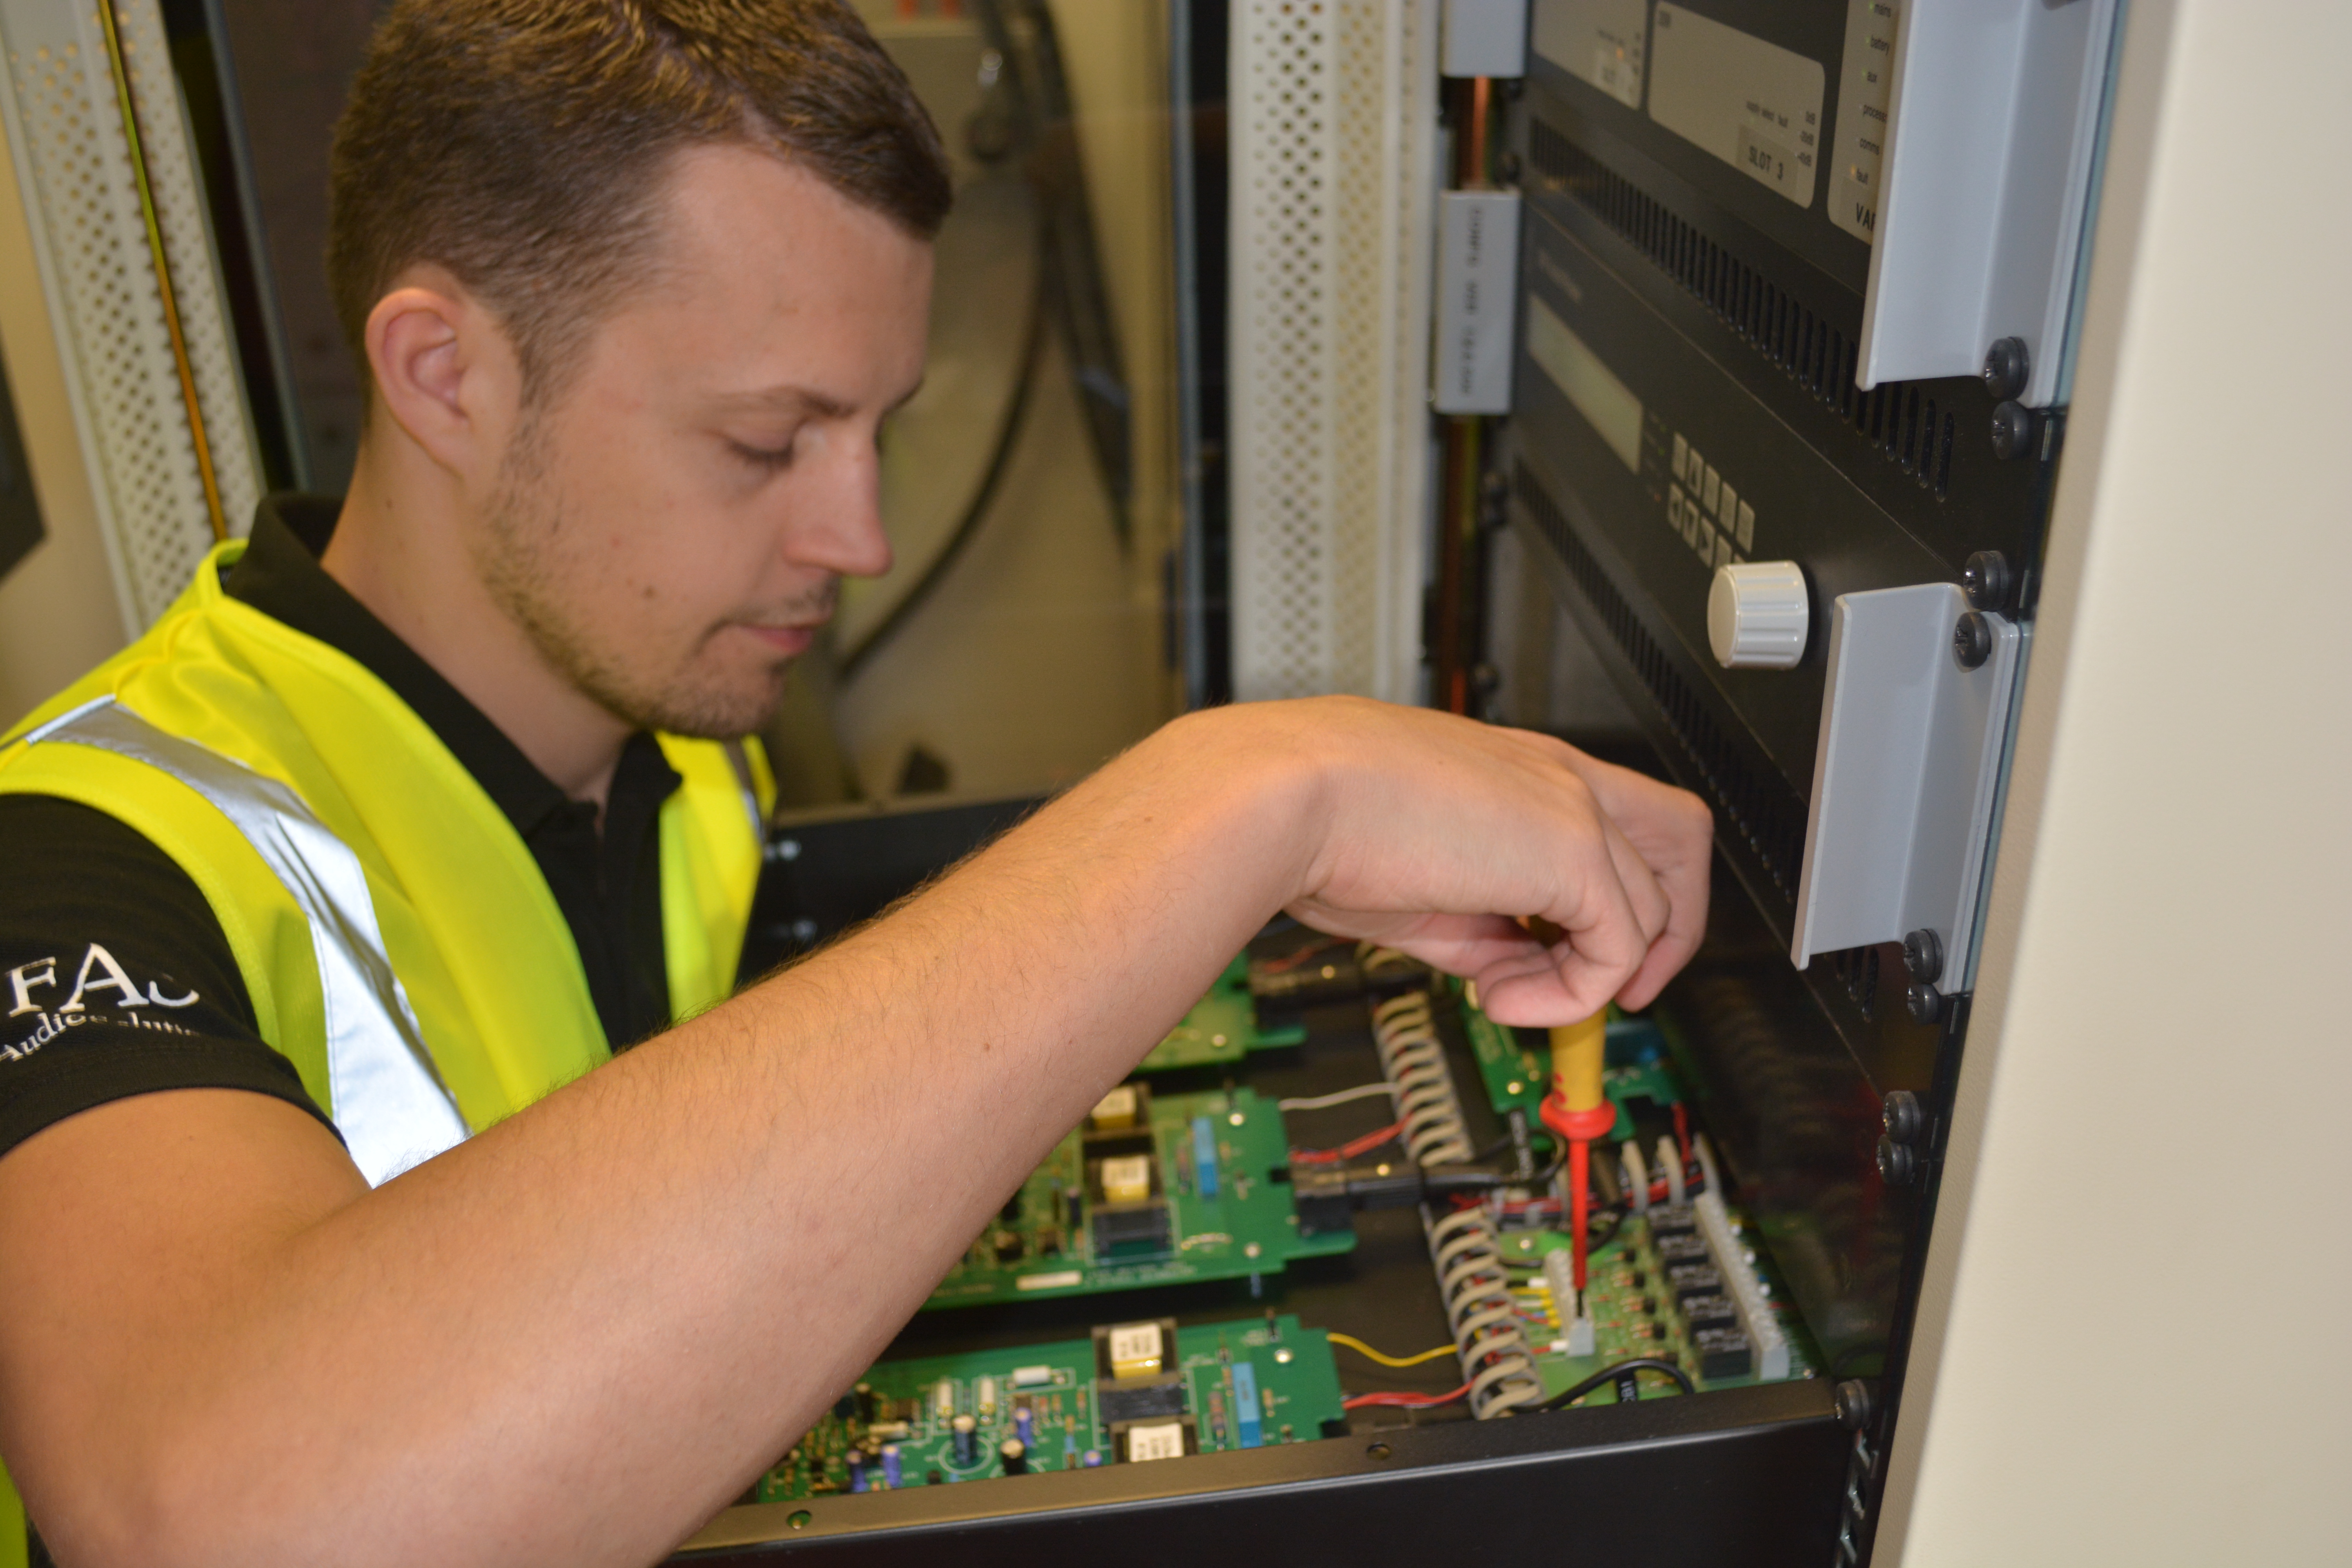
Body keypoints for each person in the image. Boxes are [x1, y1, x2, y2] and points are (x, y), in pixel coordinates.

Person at [0, 3, 1712, 1564]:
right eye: (765, 442)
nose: (861, 539)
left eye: (878, 427)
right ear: (444, 372)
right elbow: (209, 1517)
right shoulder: (85, 849)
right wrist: (1255, 789)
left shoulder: (686, 762)